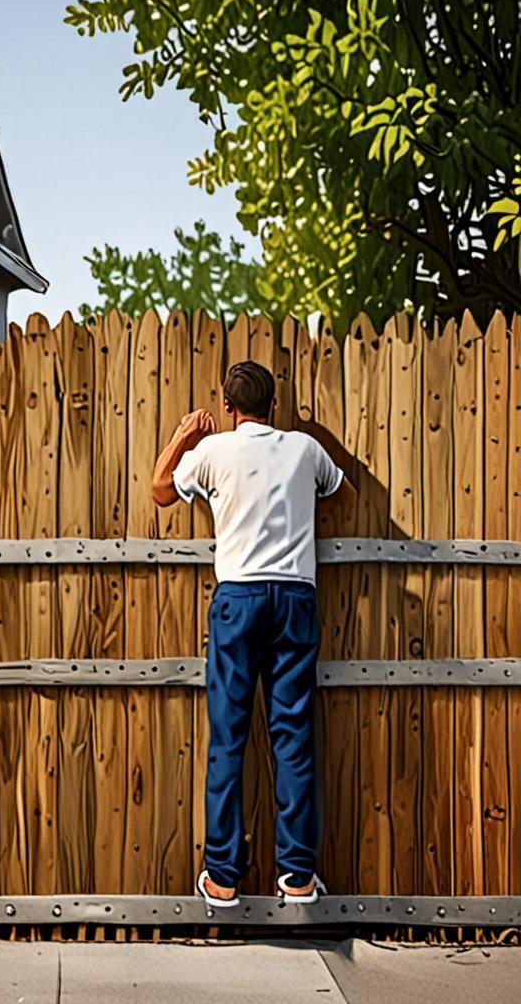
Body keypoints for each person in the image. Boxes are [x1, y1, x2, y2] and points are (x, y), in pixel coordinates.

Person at [151, 360, 354, 909]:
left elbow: (160, 489)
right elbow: (343, 492)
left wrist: (181, 436)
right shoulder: (304, 450)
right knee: (292, 737)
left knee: (228, 738)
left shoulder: (215, 452)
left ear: (228, 407)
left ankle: (222, 877)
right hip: (294, 597)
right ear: (274, 407)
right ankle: (298, 877)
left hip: (239, 599)